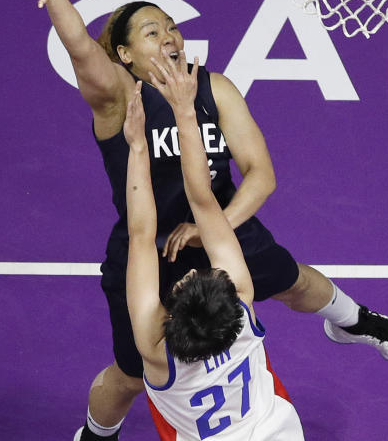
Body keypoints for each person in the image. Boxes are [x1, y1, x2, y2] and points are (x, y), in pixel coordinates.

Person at [30, 0, 388, 441]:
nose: (170, 35)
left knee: (296, 282)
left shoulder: (216, 89)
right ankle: (96, 434)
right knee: (131, 375)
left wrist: (213, 226)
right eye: (152, 31)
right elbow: (83, 53)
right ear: (126, 55)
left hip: (221, 228)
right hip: (151, 252)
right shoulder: (119, 99)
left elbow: (260, 174)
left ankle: (355, 322)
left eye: (172, 26)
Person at [124, 56, 303, 440]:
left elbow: (140, 234)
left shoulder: (162, 352)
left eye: (187, 279)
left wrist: (138, 148)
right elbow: (202, 200)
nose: (191, 270)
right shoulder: (234, 303)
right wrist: (186, 112)